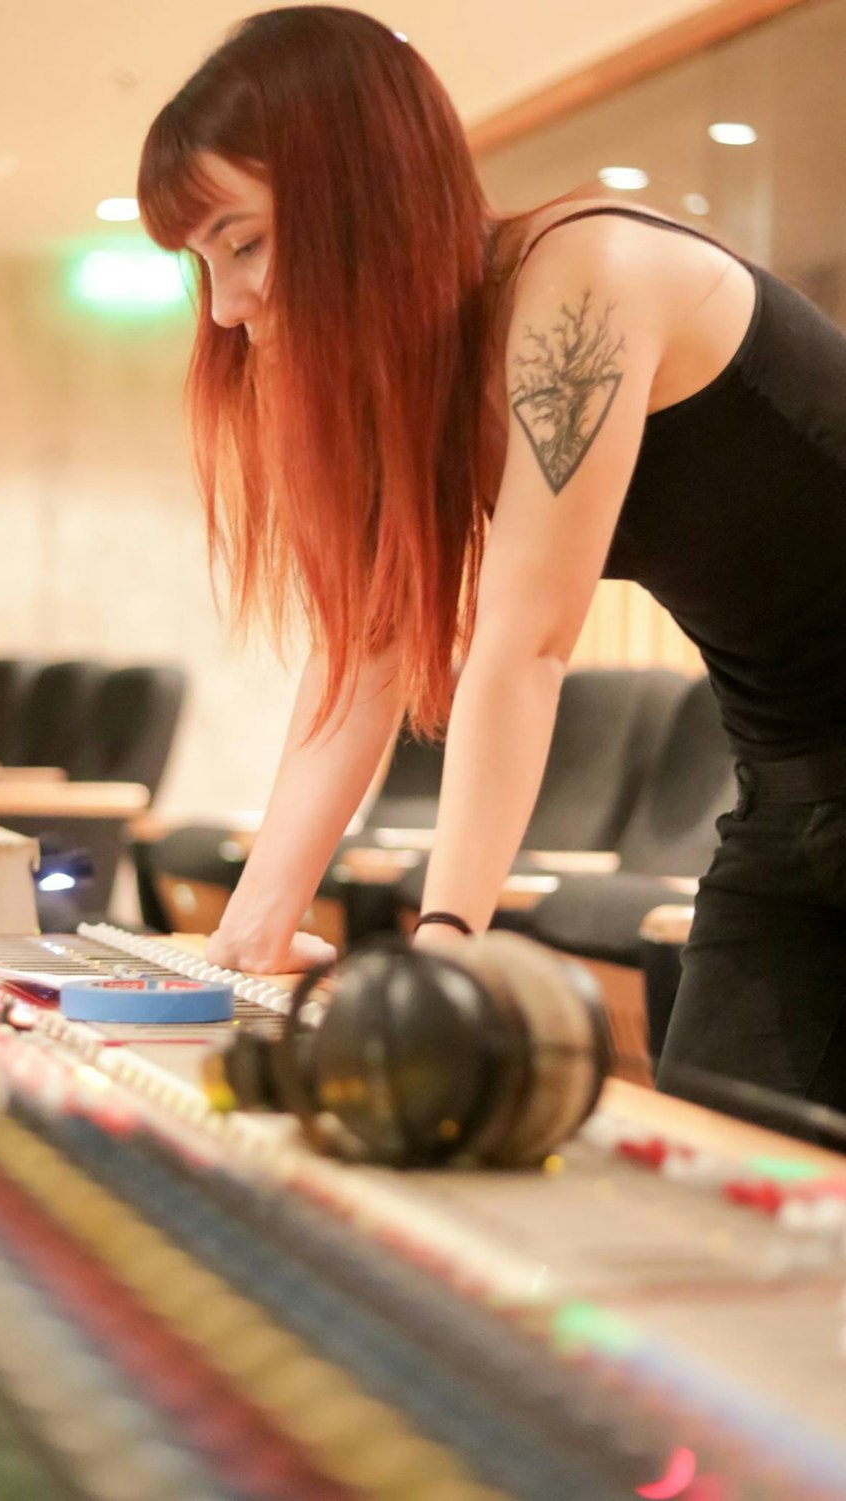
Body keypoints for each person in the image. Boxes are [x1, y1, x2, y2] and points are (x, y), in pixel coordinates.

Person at [138, 6, 846, 1128]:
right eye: (203, 264)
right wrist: (254, 927)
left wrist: (446, 947)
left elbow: (523, 647)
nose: (225, 307)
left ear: (363, 193)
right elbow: (363, 654)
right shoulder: (413, 379)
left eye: (246, 240)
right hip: (782, 787)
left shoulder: (585, 278)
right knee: (713, 1183)